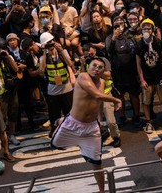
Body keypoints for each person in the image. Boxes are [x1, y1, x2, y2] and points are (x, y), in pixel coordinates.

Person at [51, 57, 122, 193]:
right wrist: (116, 99)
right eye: (94, 65)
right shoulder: (83, 77)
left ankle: (102, 191)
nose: (96, 69)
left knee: (96, 163)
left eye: (100, 67)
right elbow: (97, 95)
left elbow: (98, 103)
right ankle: (60, 121)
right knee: (54, 144)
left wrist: (100, 120)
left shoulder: (101, 81)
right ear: (89, 66)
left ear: (104, 71)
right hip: (73, 123)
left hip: (91, 128)